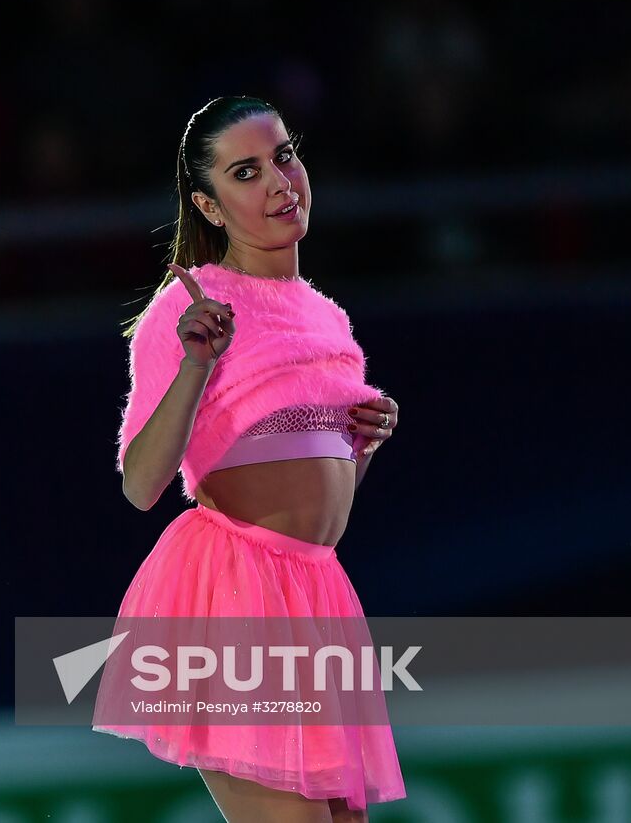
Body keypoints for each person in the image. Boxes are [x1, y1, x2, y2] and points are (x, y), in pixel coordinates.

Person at [91, 96, 407, 821]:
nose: (280, 182)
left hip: (315, 595)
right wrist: (195, 366)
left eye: (285, 156)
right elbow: (142, 484)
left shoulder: (327, 317)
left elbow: (323, 512)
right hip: (235, 592)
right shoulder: (190, 307)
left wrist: (363, 446)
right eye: (247, 171)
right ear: (208, 203)